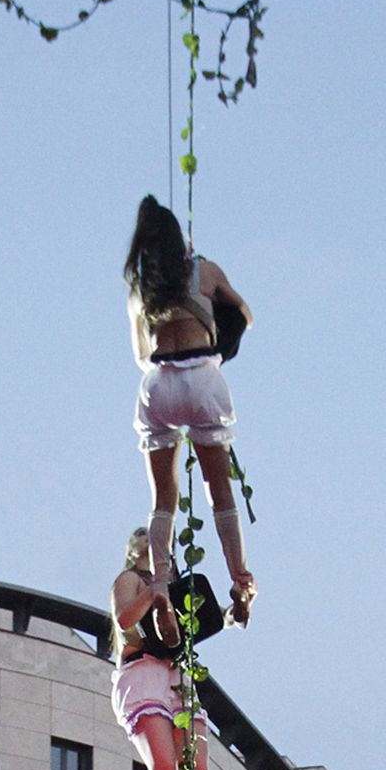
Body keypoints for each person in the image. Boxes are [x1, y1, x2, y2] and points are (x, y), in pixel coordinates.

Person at [124, 193, 256, 625]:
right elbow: (246, 313)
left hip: (158, 384)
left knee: (163, 499)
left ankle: (160, 582)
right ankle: (240, 577)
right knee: (220, 492)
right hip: (202, 377)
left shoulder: (140, 293)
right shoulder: (205, 270)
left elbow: (140, 355)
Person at [109, 528, 212, 770]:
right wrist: (156, 590)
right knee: (165, 766)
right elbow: (125, 618)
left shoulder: (173, 583)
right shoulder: (130, 578)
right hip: (144, 671)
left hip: (175, 675)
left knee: (196, 767)